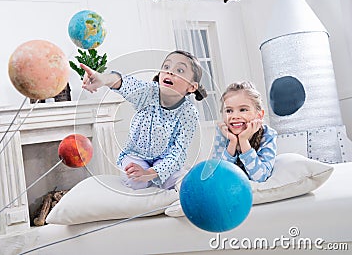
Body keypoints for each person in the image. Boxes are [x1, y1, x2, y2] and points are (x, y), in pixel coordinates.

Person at [81, 50, 207, 189]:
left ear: (192, 87)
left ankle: (169, 185)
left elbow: (178, 152)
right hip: (136, 155)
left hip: (164, 159)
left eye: (180, 70)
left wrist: (151, 173)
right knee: (136, 181)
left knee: (180, 182)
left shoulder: (188, 112)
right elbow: (125, 84)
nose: (169, 72)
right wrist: (104, 79)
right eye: (166, 67)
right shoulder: (148, 93)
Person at [212, 81, 277, 182]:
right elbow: (218, 176)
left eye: (243, 110)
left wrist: (243, 141)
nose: (235, 116)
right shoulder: (223, 133)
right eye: (229, 111)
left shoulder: (268, 134)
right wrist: (232, 142)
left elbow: (259, 177)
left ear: (259, 115)